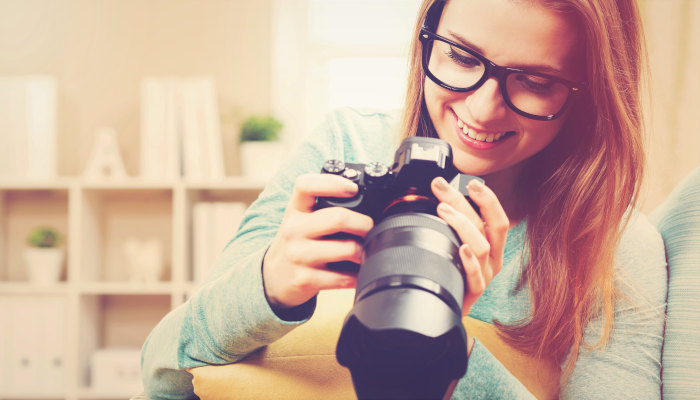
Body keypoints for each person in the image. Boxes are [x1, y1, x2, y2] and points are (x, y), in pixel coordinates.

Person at [141, 0, 667, 398]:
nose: (483, 111)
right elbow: (161, 369)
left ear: (589, 93)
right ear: (427, 37)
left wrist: (444, 342)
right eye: (461, 56)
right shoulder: (341, 148)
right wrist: (271, 286)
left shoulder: (614, 249)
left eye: (534, 81)